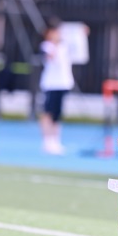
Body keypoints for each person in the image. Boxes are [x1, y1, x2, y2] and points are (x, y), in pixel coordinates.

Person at [38, 18, 75, 155]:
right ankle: (47, 140)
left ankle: (56, 140)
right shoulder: (46, 46)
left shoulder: (64, 46)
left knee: (58, 113)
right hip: (51, 84)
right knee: (48, 111)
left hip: (63, 83)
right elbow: (51, 58)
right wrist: (55, 43)